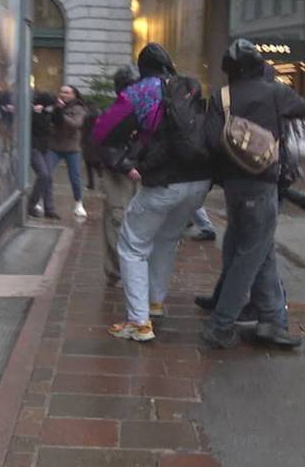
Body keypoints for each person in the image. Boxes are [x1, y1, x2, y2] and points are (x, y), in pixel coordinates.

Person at [92, 44, 212, 342]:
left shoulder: (142, 92)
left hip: (164, 180)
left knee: (132, 245)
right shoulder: (189, 87)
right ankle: (155, 303)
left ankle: (138, 322)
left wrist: (127, 155)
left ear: (141, 68)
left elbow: (103, 131)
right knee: (166, 241)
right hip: (198, 180)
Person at [201, 39, 305, 349]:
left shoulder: (221, 96)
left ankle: (271, 322)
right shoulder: (274, 92)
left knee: (259, 251)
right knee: (249, 257)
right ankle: (220, 326)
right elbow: (303, 108)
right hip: (262, 183)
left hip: (233, 185)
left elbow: (211, 141)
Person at [95, 64, 141, 286]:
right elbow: (104, 145)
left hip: (134, 171)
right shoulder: (115, 112)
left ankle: (126, 268)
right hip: (120, 173)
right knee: (117, 218)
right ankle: (118, 270)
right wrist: (125, 166)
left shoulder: (140, 109)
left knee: (129, 219)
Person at [48, 85, 89, 218]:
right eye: (61, 92)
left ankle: (78, 203)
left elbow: (76, 124)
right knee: (45, 173)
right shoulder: (55, 106)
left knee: (75, 177)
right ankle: (40, 201)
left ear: (74, 95)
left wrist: (61, 114)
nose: (63, 94)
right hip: (55, 145)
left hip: (72, 147)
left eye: (67, 92)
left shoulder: (78, 108)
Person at [29, 91, 59, 219]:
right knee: (43, 175)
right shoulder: (34, 113)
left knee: (48, 178)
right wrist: (37, 114)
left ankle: (49, 208)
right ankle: (31, 204)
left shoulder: (47, 113)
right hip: (34, 147)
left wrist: (59, 109)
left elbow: (59, 122)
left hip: (44, 148)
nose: (51, 108)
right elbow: (41, 128)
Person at [82, 102, 103, 190]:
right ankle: (101, 182)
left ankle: (91, 184)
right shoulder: (100, 115)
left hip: (88, 143)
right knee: (97, 165)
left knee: (89, 165)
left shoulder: (87, 116)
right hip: (97, 142)